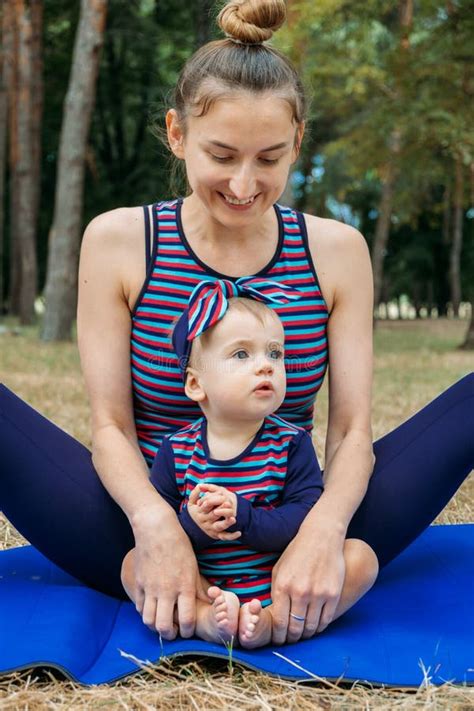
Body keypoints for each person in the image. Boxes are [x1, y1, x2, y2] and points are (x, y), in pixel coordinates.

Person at [0, 0, 472, 647]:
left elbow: (352, 427)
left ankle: (295, 591)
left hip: (289, 509)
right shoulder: (118, 241)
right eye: (221, 154)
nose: (245, 184)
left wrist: (322, 533)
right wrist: (157, 524)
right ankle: (182, 589)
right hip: (148, 520)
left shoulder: (337, 252)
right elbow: (110, 427)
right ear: (176, 134)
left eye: (271, 158)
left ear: (298, 143)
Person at [121, 277, 379, 647]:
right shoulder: (176, 451)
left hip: (281, 577)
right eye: (242, 354)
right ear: (196, 385)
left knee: (361, 559)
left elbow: (304, 517)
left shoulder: (291, 443)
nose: (266, 366)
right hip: (202, 578)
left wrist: (245, 517)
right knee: (132, 564)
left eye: (275, 354)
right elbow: (162, 534)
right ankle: (208, 618)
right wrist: (194, 526)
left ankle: (271, 623)